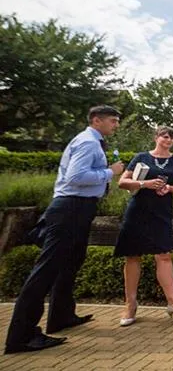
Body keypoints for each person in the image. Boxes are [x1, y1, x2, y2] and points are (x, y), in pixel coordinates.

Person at [5, 105, 124, 354]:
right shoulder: (88, 143)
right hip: (71, 208)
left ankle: (61, 316)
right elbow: (75, 177)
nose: (116, 125)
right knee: (47, 267)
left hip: (79, 208)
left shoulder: (93, 142)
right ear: (96, 120)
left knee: (71, 262)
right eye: (113, 121)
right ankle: (21, 335)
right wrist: (109, 173)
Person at [114, 126, 173, 327]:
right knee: (133, 255)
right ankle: (130, 304)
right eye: (164, 136)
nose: (168, 140)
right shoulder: (141, 157)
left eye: (172, 137)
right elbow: (122, 181)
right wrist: (145, 184)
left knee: (164, 254)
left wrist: (169, 188)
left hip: (162, 212)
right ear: (156, 138)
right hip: (138, 209)